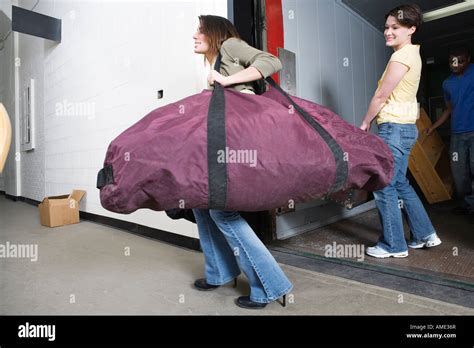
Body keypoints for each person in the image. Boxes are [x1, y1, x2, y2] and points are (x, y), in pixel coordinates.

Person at [191, 15, 292, 309]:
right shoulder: (217, 62)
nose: (195, 36)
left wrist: (226, 80)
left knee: (223, 211)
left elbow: (271, 62)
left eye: (199, 30)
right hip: (223, 139)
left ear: (214, 33)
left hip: (239, 140)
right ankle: (219, 272)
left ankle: (269, 285)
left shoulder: (232, 45)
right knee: (201, 202)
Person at [360, 4, 442, 258]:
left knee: (384, 185)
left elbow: (381, 95)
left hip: (393, 129)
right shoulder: (412, 54)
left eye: (395, 27)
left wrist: (364, 123)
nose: (388, 32)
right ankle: (425, 234)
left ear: (411, 29)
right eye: (386, 27)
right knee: (400, 183)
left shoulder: (401, 57)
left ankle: (393, 245)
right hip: (405, 129)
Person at [426, 46, 474, 224]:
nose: (456, 65)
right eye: (452, 61)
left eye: (460, 61)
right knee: (459, 173)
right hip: (458, 134)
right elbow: (449, 109)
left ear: (468, 60)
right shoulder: (447, 83)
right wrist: (433, 127)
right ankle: (468, 205)